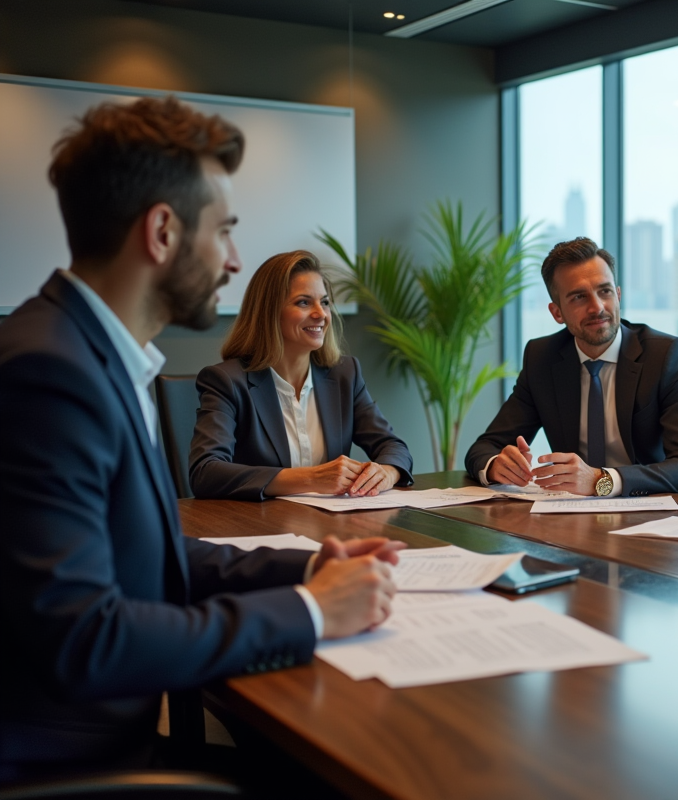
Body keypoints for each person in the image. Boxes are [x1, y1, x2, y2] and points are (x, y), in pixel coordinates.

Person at [0, 97, 401, 781]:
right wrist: (309, 612)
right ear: (162, 232)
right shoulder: (50, 374)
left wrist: (307, 568)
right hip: (73, 769)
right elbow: (86, 640)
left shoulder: (89, 356)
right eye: (224, 231)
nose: (234, 260)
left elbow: (148, 553)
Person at [465, 237, 678, 497]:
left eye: (605, 291)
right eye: (579, 297)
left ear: (618, 295)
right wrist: (497, 466)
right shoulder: (542, 359)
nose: (597, 308)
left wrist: (600, 481)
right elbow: (484, 448)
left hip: (651, 512)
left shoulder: (666, 356)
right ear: (557, 312)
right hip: (572, 514)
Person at [189, 250, 414, 501]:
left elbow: (393, 447)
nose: (321, 314)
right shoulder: (227, 382)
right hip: (260, 521)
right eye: (304, 302)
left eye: (325, 302)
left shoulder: (345, 374)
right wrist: (311, 478)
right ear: (269, 312)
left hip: (332, 520)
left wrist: (387, 472)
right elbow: (205, 472)